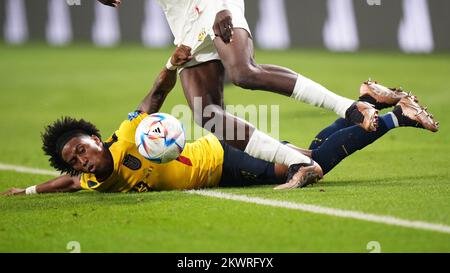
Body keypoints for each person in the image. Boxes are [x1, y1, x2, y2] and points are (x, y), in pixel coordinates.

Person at [1, 48, 438, 195]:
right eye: (74, 159)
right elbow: (68, 184)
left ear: (95, 138)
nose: (82, 160)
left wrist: (170, 66)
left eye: (81, 147)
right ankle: (365, 100)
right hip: (219, 177)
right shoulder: (96, 181)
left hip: (222, 156)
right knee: (307, 152)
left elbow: (155, 96)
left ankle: (399, 114)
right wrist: (28, 189)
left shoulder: (128, 134)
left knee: (309, 167)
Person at [95, 0, 380, 188]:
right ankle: (300, 163)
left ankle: (352, 109)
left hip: (213, 6)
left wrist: (220, 6)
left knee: (244, 73)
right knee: (208, 116)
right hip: (185, 23)